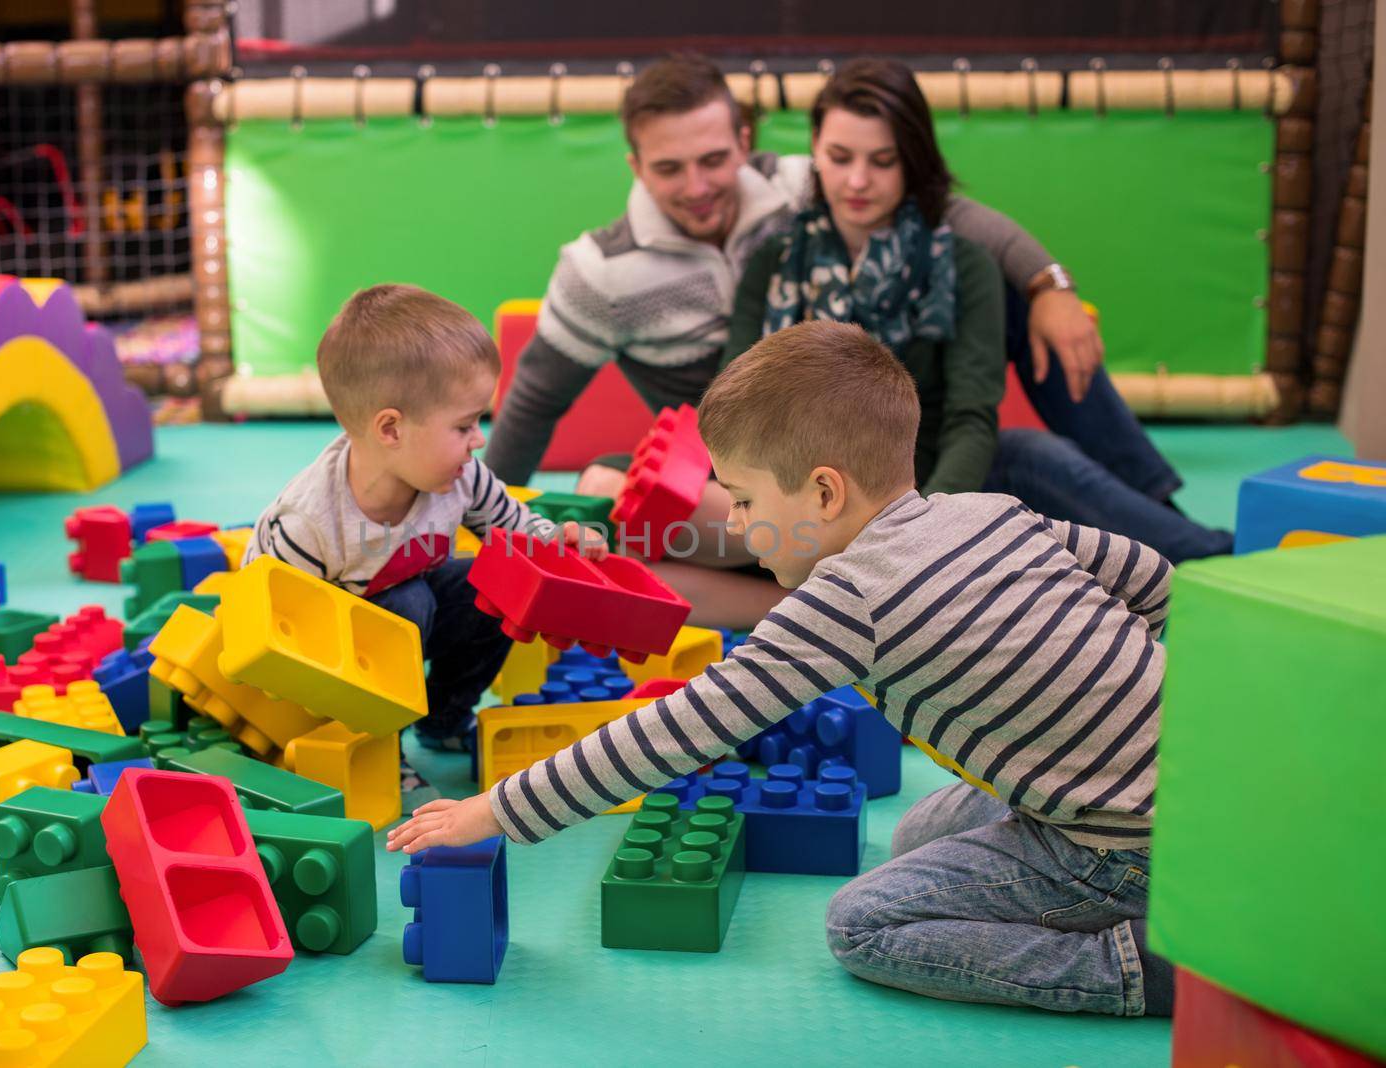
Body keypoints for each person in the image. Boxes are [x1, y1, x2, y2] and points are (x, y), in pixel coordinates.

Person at [389, 320, 1174, 1018]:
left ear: (824, 492)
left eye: (742, 500)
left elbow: (673, 732)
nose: (731, 523)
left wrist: (493, 810)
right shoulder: (986, 509)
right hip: (1191, 784)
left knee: (864, 926)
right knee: (915, 832)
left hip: (1114, 848)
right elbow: (1153, 580)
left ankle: (1134, 966)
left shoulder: (845, 599)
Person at [724, 58, 1232, 570]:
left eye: (883, 160)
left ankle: (1219, 559)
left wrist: (916, 528)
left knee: (1030, 455)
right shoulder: (774, 261)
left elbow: (971, 419)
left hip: (927, 489)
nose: (858, 180)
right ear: (814, 149)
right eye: (839, 157)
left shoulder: (963, 262)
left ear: (913, 160)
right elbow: (739, 399)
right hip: (801, 500)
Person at [244, 284, 603, 753]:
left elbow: (518, 531)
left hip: (409, 619)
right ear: (391, 429)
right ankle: (376, 742)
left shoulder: (462, 477)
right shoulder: (310, 523)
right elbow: (278, 627)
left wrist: (560, 543)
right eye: (463, 426)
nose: (478, 440)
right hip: (330, 650)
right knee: (408, 605)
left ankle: (444, 720)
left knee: (498, 586)